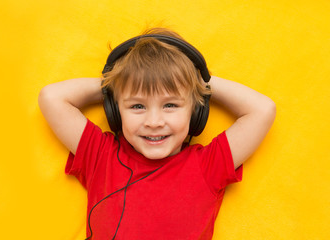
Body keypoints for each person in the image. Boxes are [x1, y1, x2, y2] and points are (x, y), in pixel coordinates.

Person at [38, 27, 276, 239]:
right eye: (137, 106)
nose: (154, 122)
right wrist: (116, 85)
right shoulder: (101, 156)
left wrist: (197, 82)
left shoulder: (207, 165)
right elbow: (52, 98)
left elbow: (262, 109)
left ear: (196, 112)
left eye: (170, 105)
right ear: (114, 111)